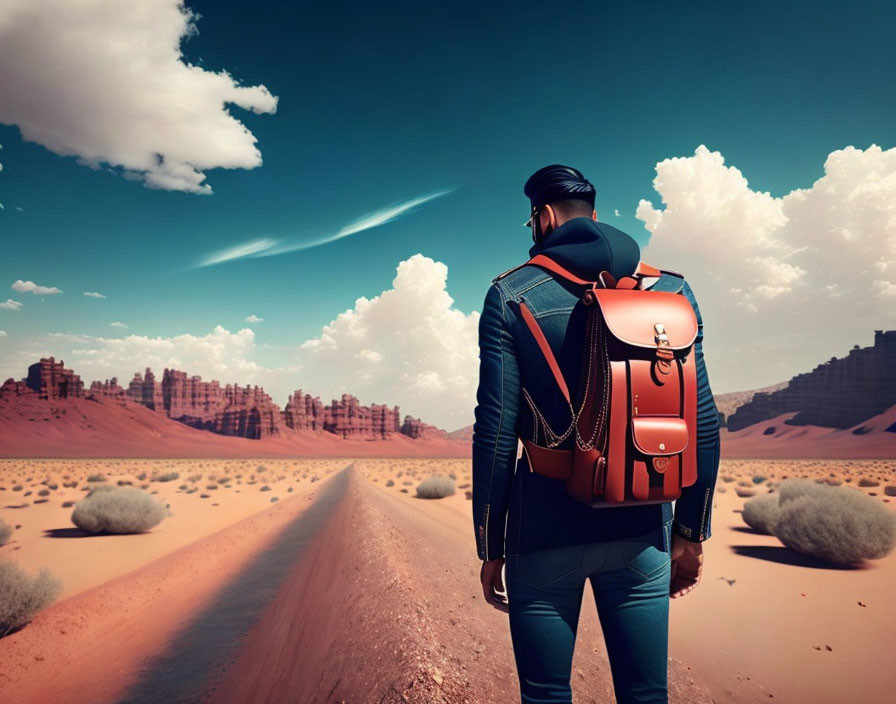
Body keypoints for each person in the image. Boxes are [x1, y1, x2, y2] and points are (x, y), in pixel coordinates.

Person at [471, 164, 722, 704]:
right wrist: (691, 532)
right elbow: (702, 420)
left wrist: (490, 545)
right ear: (595, 214)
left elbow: (494, 433)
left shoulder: (512, 294)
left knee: (545, 695)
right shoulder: (672, 291)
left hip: (544, 531)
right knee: (647, 695)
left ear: (542, 218)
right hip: (643, 525)